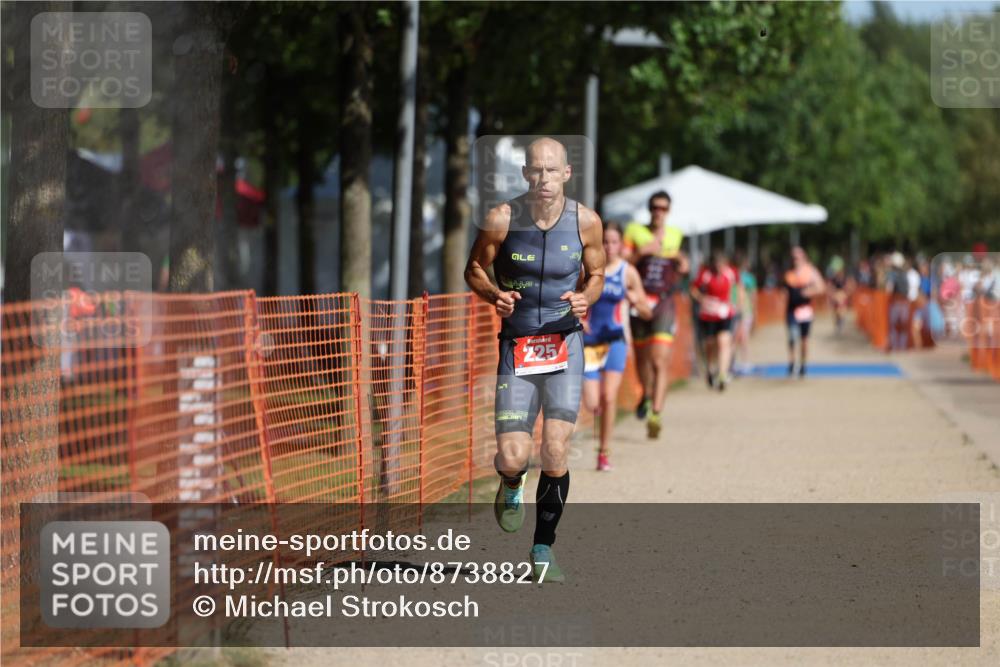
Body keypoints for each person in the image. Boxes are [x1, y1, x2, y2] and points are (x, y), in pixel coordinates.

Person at [464, 137, 605, 584]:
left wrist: (586, 298)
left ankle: (544, 546)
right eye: (535, 170)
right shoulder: (501, 218)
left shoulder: (586, 221)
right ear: (525, 174)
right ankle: (510, 483)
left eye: (552, 170)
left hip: (565, 344)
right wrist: (494, 295)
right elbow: (474, 269)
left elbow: (598, 272)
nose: (543, 178)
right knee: (511, 455)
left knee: (556, 448)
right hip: (518, 345)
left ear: (566, 174)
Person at [582, 222, 652, 471]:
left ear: (621, 245)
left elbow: (646, 312)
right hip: (590, 343)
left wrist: (635, 301)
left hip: (615, 341)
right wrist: (579, 319)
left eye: (614, 242)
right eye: (605, 242)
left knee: (608, 397)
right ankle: (599, 431)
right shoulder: (587, 269)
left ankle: (604, 452)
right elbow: (572, 300)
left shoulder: (627, 272)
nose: (609, 247)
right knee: (592, 403)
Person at [621, 191, 688, 439]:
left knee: (660, 360)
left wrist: (683, 262)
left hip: (664, 304)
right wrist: (644, 251)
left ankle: (656, 414)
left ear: (668, 211)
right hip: (638, 302)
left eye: (663, 208)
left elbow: (679, 265)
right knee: (642, 360)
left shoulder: (676, 234)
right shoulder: (634, 232)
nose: (658, 212)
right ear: (649, 209)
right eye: (654, 207)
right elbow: (623, 263)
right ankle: (646, 396)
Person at [690, 250, 737, 391]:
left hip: (725, 313)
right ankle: (710, 368)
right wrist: (702, 299)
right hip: (709, 315)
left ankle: (722, 374)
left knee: (724, 342)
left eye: (721, 265)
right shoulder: (705, 274)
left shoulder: (731, 273)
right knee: (710, 344)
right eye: (716, 265)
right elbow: (693, 289)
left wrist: (737, 304)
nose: (719, 268)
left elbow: (738, 288)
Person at [783, 246, 825, 375]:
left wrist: (808, 292)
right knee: (792, 337)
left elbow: (821, 287)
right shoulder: (788, 273)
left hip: (805, 310)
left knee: (804, 339)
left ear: (803, 257)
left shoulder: (810, 271)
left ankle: (803, 364)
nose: (795, 260)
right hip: (791, 310)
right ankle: (791, 363)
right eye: (793, 257)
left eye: (797, 257)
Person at [731, 252, 757, 375]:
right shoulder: (731, 276)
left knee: (742, 337)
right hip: (735, 310)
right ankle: (733, 362)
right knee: (736, 338)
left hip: (745, 311)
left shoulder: (748, 278)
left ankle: (743, 362)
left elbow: (752, 295)